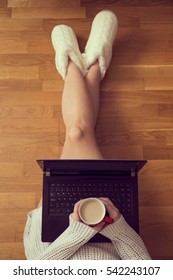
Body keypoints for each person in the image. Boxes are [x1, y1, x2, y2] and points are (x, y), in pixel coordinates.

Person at [23, 10, 151, 260]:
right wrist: (116, 225)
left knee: (77, 132)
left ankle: (84, 62)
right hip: (111, 234)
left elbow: (39, 268)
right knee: (80, 132)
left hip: (51, 239)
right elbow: (142, 264)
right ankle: (83, 63)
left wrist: (79, 231)